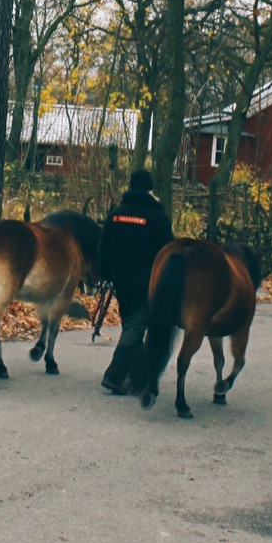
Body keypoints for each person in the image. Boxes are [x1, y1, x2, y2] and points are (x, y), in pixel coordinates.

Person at [98, 169, 174, 395]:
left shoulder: (116, 214)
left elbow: (104, 248)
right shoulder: (158, 216)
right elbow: (168, 249)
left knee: (131, 325)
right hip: (147, 283)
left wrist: (106, 275)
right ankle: (114, 375)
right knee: (135, 327)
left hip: (121, 282)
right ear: (150, 189)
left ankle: (138, 377)